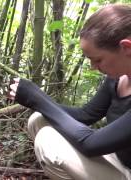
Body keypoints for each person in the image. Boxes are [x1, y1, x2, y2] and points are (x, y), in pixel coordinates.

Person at [8, 4, 131, 180]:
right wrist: (37, 98)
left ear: (126, 48)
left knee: (48, 141)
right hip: (117, 160)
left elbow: (91, 144)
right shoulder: (117, 78)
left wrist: (37, 98)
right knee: (39, 120)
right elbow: (86, 114)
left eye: (97, 59)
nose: (93, 67)